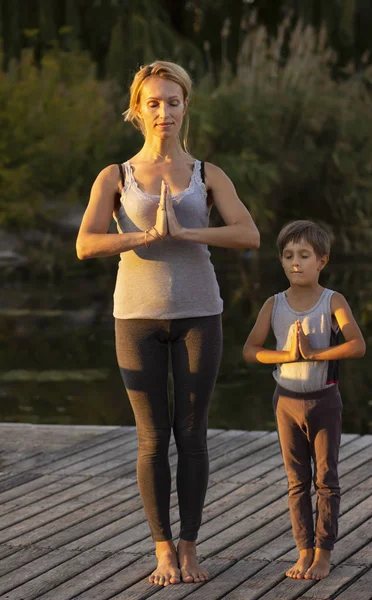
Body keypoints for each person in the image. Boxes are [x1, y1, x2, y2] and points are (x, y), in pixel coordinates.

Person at [76, 60, 260, 587]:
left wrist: (186, 232)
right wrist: (142, 237)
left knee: (193, 434)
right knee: (153, 438)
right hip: (134, 317)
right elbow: (86, 244)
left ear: (185, 108)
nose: (164, 112)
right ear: (138, 110)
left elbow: (248, 234)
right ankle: (162, 551)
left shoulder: (208, 174)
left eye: (173, 102)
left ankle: (189, 547)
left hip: (200, 314)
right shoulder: (116, 176)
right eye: (154, 103)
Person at [242, 220, 365, 581]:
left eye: (304, 255)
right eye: (288, 256)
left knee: (326, 479)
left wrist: (314, 354)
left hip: (324, 402)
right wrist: (288, 356)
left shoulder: (333, 301)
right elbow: (251, 351)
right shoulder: (273, 304)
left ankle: (324, 553)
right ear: (281, 261)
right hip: (287, 403)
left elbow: (357, 345)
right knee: (297, 481)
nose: (296, 262)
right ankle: (304, 551)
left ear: (321, 261)